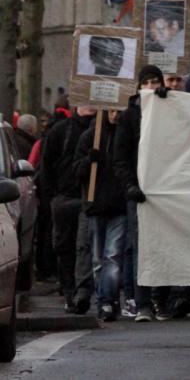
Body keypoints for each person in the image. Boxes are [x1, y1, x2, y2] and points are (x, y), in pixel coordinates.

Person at [114, 65, 171, 322]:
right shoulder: (128, 117)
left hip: (166, 190)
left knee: (166, 246)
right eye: (146, 82)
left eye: (155, 82)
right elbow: (121, 157)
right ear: (139, 87)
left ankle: (162, 299)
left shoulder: (170, 110)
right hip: (139, 193)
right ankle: (144, 302)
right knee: (141, 249)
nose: (151, 87)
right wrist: (130, 185)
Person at [40, 104, 96, 314]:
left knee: (84, 246)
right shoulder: (60, 130)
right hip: (64, 197)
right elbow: (46, 165)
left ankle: (81, 292)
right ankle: (69, 290)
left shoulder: (101, 129)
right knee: (64, 248)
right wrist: (51, 197)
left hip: (88, 199)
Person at [73, 110, 127, 322]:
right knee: (97, 259)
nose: (115, 115)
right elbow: (75, 169)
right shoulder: (89, 137)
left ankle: (107, 300)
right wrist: (89, 161)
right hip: (96, 206)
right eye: (112, 111)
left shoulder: (125, 135)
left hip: (119, 205)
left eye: (119, 111)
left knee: (112, 256)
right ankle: (106, 299)